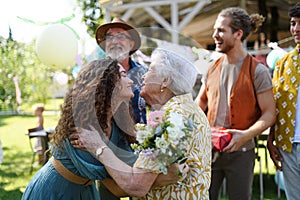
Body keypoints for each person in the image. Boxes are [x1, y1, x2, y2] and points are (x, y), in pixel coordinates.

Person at [22, 58, 183, 200]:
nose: (131, 81)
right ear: (108, 83)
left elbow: (130, 169)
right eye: (123, 75)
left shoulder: (117, 124)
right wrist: (164, 176)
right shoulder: (84, 126)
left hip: (85, 191)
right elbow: (118, 183)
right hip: (55, 191)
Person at [78, 48, 211, 199]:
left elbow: (136, 186)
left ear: (166, 81)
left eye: (150, 70)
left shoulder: (169, 120)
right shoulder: (190, 110)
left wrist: (98, 147)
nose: (143, 76)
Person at [195, 7, 276, 200]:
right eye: (215, 30)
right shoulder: (211, 68)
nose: (215, 35)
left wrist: (245, 135)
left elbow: (269, 113)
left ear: (238, 34)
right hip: (209, 151)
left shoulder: (258, 71)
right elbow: (200, 102)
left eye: (221, 30)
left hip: (242, 153)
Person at [95, 17, 148, 199]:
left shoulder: (144, 74)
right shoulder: (95, 74)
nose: (114, 41)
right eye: (110, 36)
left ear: (131, 43)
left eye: (121, 36)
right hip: (106, 150)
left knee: (142, 194)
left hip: (139, 150)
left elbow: (158, 108)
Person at [267, 3, 300, 200]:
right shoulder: (283, 63)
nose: (296, 29)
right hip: (288, 146)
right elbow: (275, 103)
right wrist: (271, 139)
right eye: (293, 23)